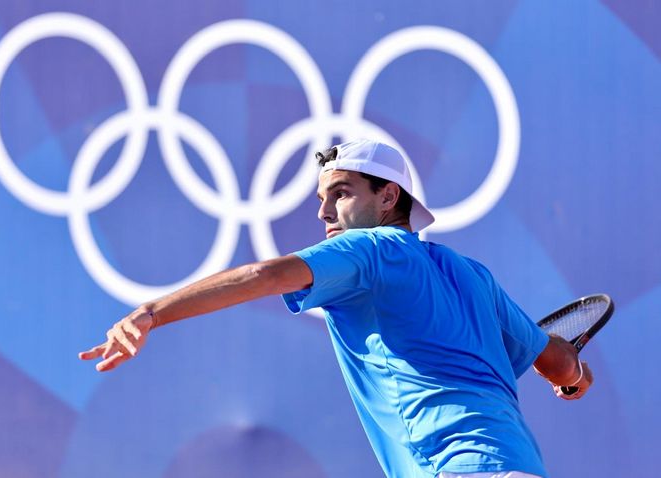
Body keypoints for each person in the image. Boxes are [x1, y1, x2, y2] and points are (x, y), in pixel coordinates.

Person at [79, 139, 592, 478]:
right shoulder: (474, 275)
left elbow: (263, 276)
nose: (324, 212)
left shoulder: (370, 249)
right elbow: (558, 361)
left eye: (340, 193)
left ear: (388, 197)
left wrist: (151, 312)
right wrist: (574, 376)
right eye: (323, 197)